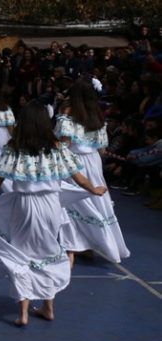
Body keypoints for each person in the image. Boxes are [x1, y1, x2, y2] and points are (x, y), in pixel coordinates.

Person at [0, 101, 107, 326]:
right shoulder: (57, 147)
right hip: (51, 205)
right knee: (48, 251)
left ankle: (23, 313)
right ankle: (48, 307)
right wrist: (94, 189)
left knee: (21, 254)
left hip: (24, 205)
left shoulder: (14, 147)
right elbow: (77, 176)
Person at [55, 81, 128, 264]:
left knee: (73, 202)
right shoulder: (98, 118)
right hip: (93, 162)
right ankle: (90, 244)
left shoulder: (68, 116)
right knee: (92, 202)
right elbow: (102, 149)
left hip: (74, 161)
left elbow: (64, 144)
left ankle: (77, 244)